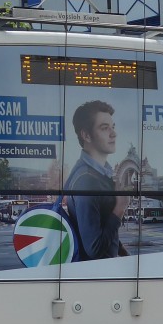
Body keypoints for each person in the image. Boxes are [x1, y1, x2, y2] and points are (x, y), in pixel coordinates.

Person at [64, 100, 128, 260]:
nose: (113, 133)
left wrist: (122, 251)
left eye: (113, 127)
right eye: (104, 128)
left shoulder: (98, 174)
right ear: (86, 135)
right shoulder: (86, 180)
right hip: (96, 275)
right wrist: (120, 208)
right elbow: (95, 249)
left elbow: (102, 224)